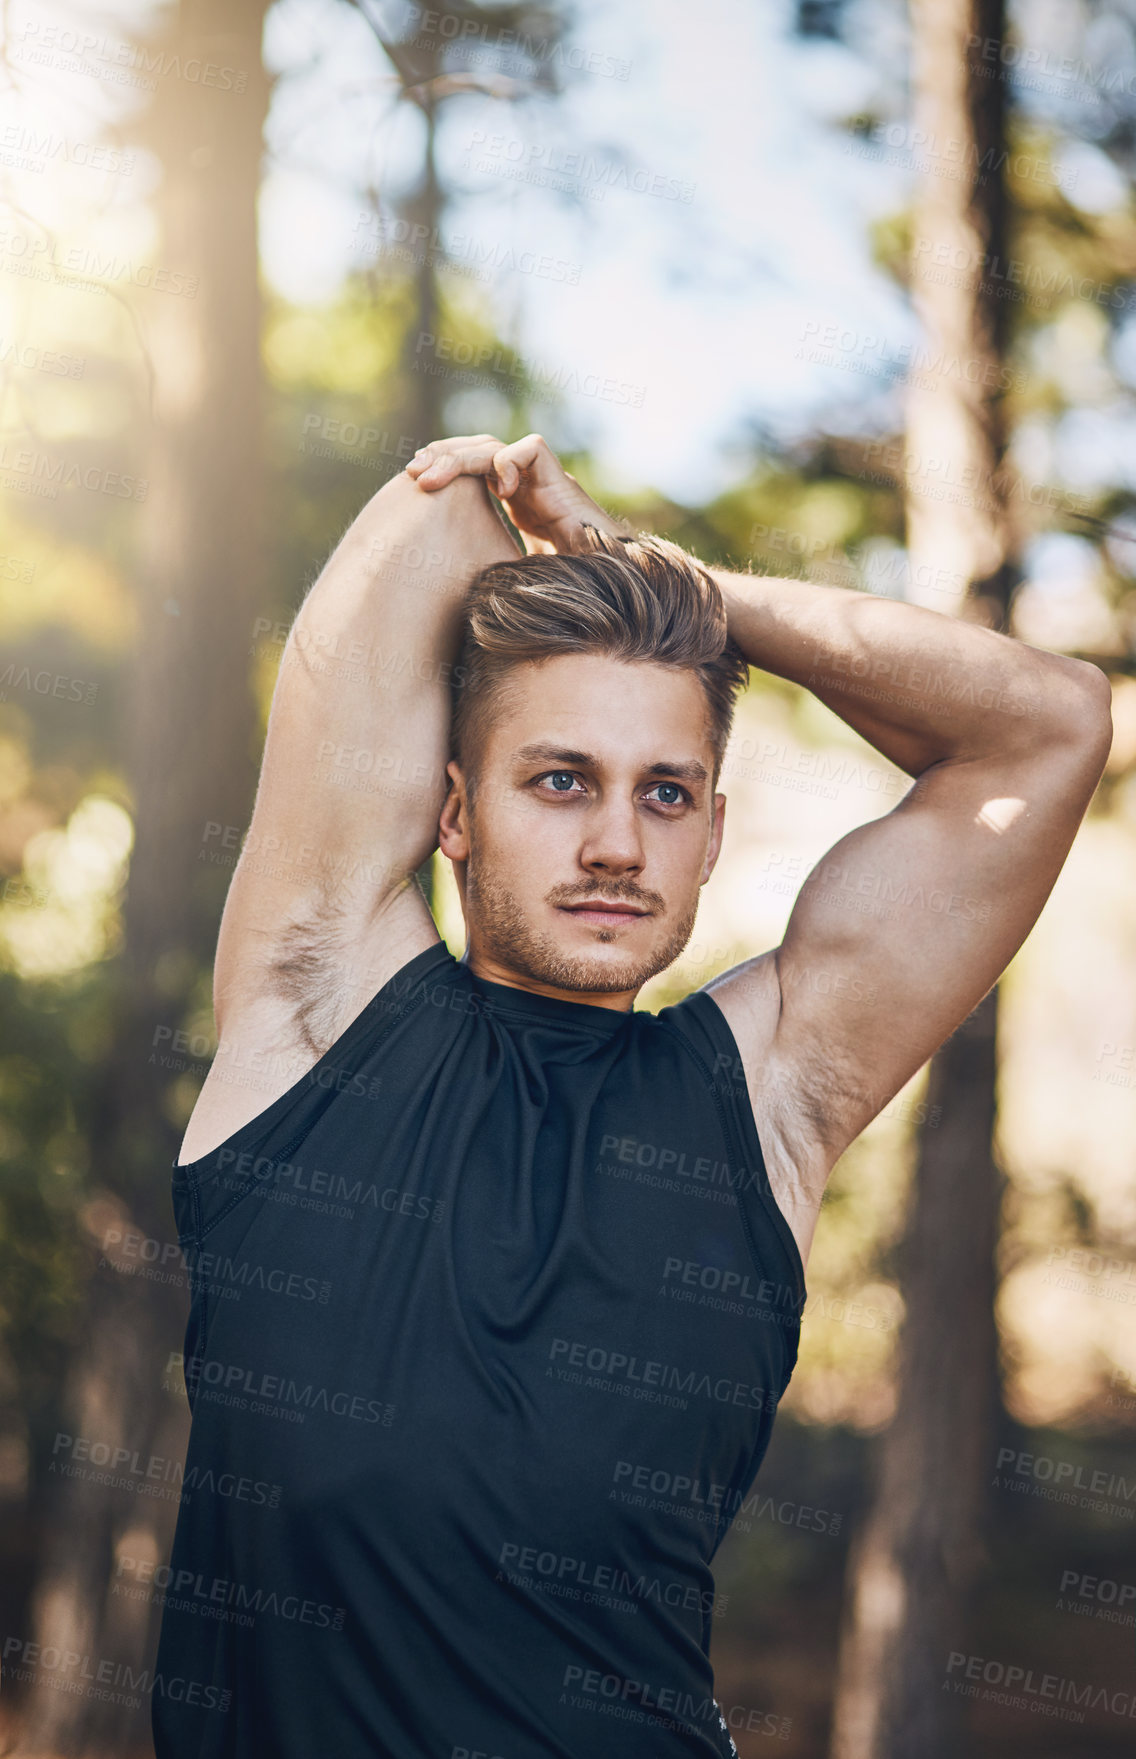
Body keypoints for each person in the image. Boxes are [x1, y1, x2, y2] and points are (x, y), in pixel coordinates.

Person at [152, 432, 1111, 1758]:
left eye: (666, 793)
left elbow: (1050, 723)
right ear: (455, 811)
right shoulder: (313, 1018)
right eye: (560, 780)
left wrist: (685, 588)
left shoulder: (766, 1093)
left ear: (712, 834)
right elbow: (442, 509)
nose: (617, 843)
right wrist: (590, 566)